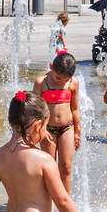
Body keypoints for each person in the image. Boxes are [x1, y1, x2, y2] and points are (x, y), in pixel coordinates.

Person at [34, 50, 81, 193]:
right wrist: (41, 128)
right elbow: (36, 110)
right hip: (48, 129)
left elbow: (75, 108)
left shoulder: (73, 84)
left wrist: (78, 131)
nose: (60, 81)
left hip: (67, 128)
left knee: (66, 167)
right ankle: (46, 202)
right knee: (49, 167)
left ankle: (64, 204)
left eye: (65, 79)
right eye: (58, 77)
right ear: (51, 67)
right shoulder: (41, 83)